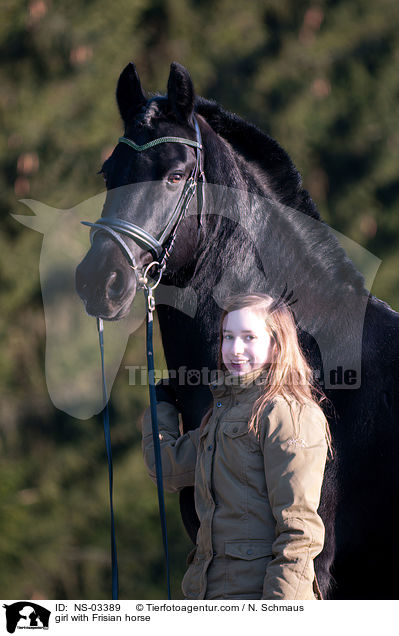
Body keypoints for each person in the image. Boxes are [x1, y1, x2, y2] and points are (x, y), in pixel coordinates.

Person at [141, 293, 332, 600]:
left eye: (249, 337)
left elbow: (300, 533)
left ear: (276, 345)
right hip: (205, 594)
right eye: (228, 337)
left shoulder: (288, 413)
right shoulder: (221, 415)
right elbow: (168, 471)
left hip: (258, 597)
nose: (235, 349)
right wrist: (160, 406)